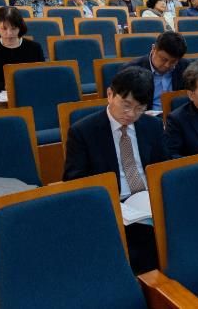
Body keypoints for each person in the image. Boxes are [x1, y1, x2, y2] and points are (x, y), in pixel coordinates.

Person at [63, 66, 168, 273]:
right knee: (143, 246)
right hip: (113, 204)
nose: (131, 114)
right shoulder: (83, 132)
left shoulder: (152, 126)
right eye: (126, 105)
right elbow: (74, 180)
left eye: (139, 108)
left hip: (150, 199)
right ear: (110, 94)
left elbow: (164, 167)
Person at [0, 7, 45, 92]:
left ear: (20, 27)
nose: (9, 33)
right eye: (4, 28)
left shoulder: (35, 48)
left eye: (14, 28)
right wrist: (6, 86)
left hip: (29, 92)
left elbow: (42, 78)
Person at [123, 31, 190, 111]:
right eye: (164, 59)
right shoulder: (131, 70)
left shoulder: (186, 67)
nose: (167, 65)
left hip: (176, 115)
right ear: (153, 48)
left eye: (173, 61)